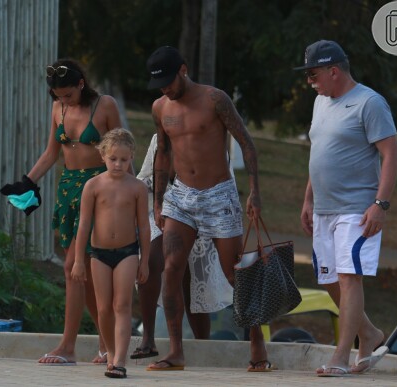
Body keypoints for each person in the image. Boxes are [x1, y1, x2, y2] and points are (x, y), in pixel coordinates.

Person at [144, 46, 268, 371]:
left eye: (169, 81)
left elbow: (246, 142)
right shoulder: (160, 107)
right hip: (181, 196)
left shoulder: (215, 99)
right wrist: (159, 200)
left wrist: (254, 192)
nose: (165, 89)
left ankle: (256, 340)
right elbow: (163, 152)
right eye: (160, 84)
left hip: (219, 195)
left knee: (233, 272)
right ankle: (175, 352)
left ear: (183, 70)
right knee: (171, 269)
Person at [295, 40, 397, 376]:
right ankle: (368, 333)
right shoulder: (320, 102)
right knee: (328, 278)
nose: (310, 81)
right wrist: (309, 198)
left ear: (333, 70)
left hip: (357, 207)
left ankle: (342, 355)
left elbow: (391, 155)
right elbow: (319, 151)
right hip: (324, 208)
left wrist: (380, 205)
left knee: (348, 278)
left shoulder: (370, 103)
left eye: (313, 74)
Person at [14, 59, 124, 365]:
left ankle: (67, 346)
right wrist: (27, 182)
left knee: (72, 267)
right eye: (58, 96)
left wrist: (122, 192)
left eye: (68, 95)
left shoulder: (105, 106)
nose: (63, 100)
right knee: (82, 271)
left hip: (98, 189)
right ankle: (105, 344)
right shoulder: (57, 109)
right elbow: (52, 153)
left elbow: (123, 151)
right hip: (68, 189)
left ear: (81, 84)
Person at [131, 134, 233, 359]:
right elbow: (146, 177)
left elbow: (223, 185)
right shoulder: (159, 138)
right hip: (162, 210)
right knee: (151, 259)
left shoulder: (211, 139)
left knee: (191, 283)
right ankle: (148, 338)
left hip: (202, 212)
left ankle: (202, 346)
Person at [71, 128, 150, 378]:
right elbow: (84, 224)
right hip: (99, 253)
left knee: (122, 305)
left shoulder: (137, 188)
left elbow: (144, 226)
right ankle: (111, 352)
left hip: (128, 252)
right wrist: (77, 261)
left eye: (124, 160)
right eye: (113, 158)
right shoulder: (93, 185)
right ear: (103, 155)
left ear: (132, 158)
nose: (118, 164)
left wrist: (144, 260)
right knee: (104, 308)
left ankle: (120, 360)